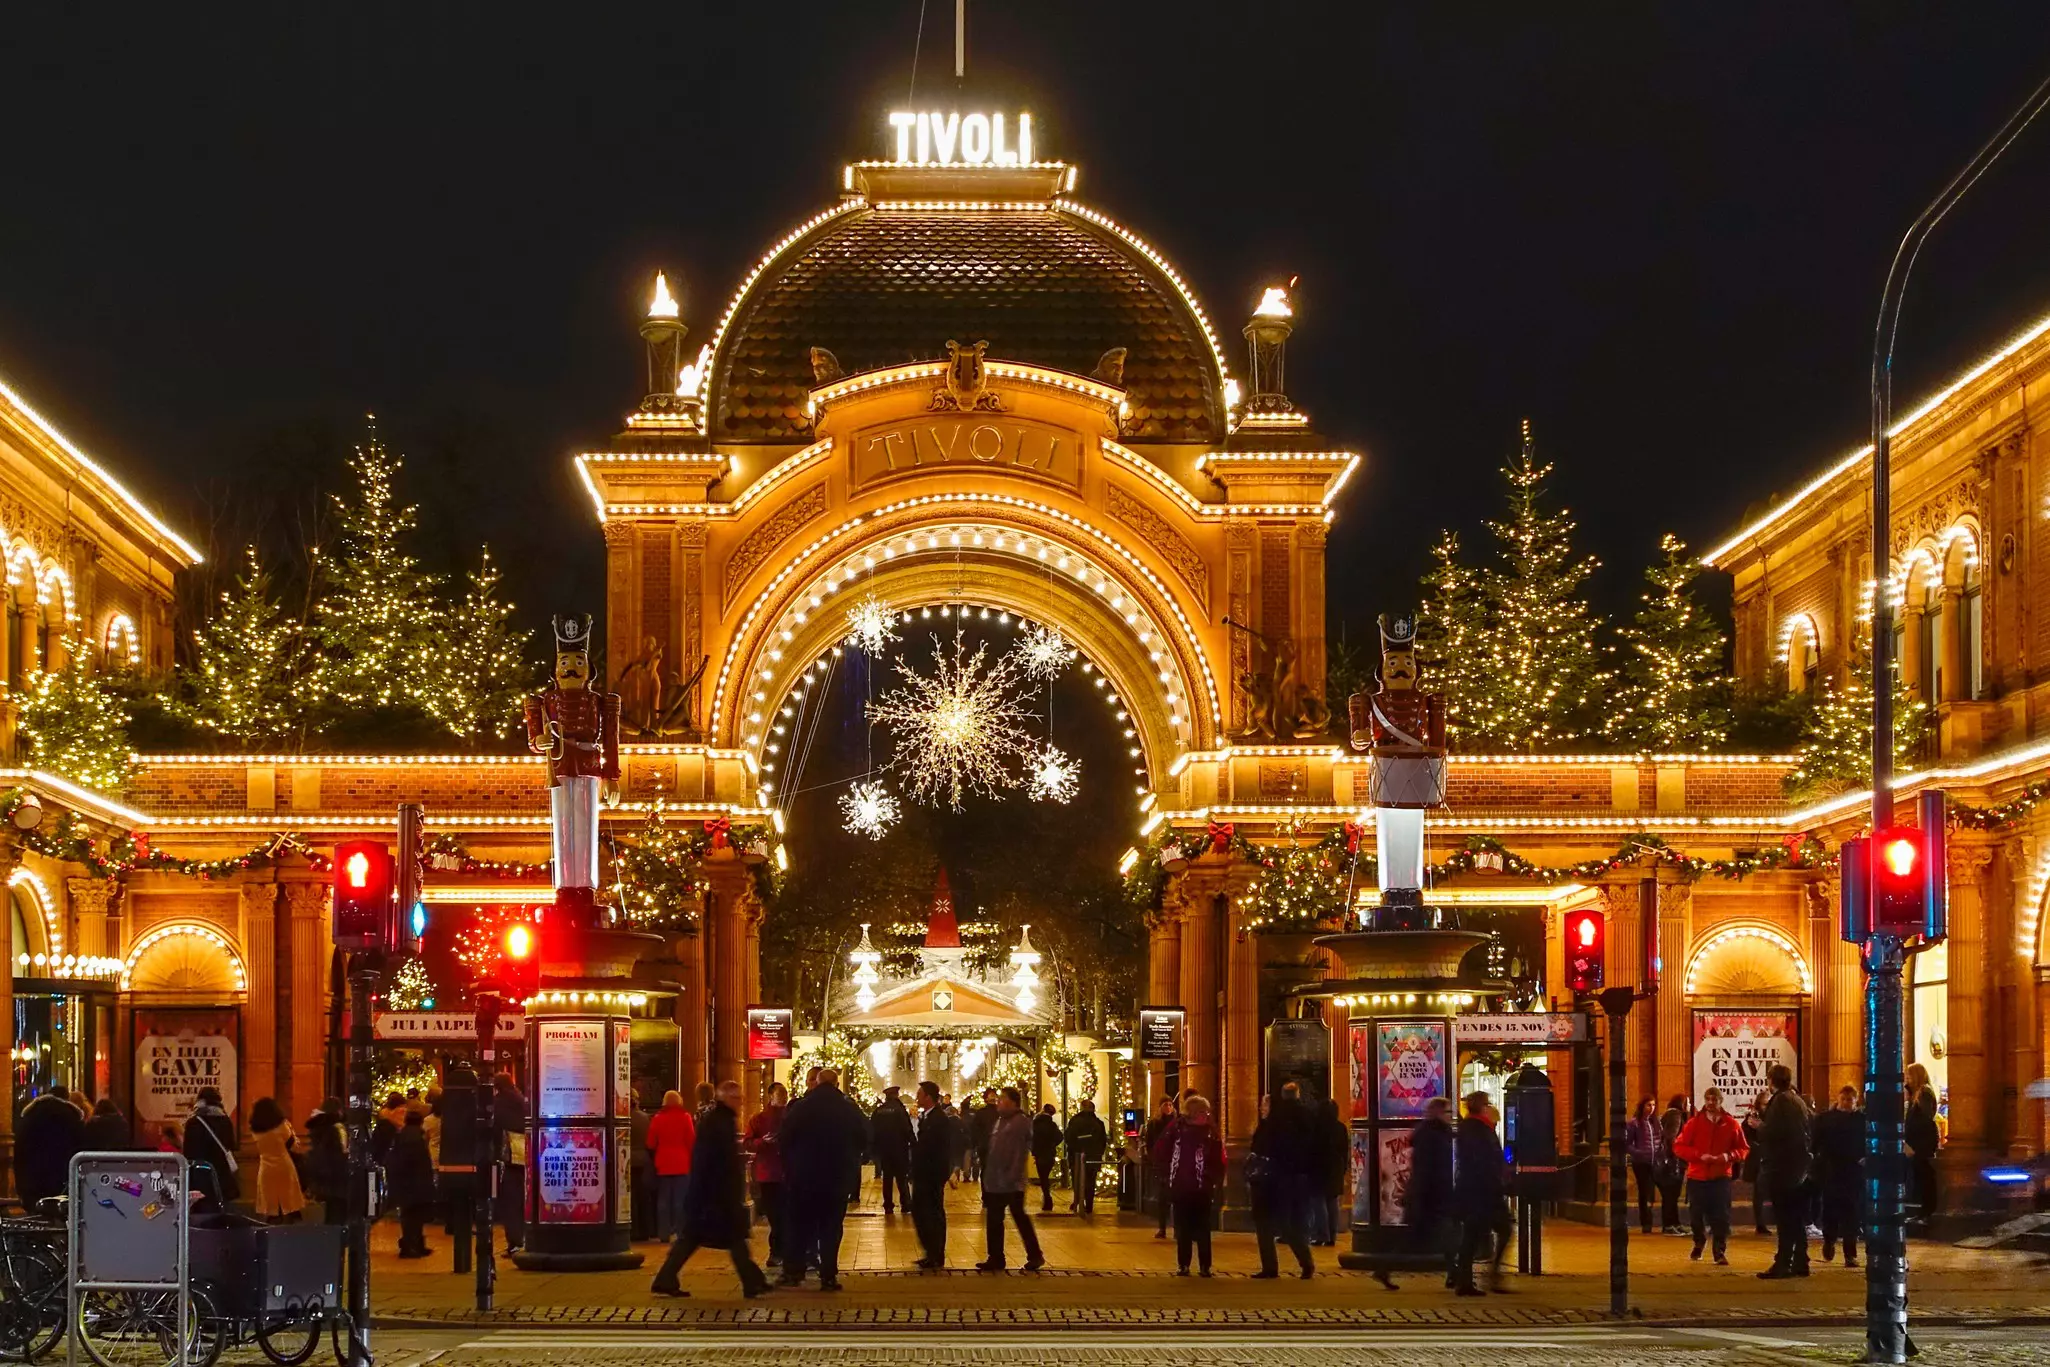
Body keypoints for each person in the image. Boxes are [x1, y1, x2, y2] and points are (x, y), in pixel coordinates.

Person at [650, 1080, 772, 1298]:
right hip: (714, 1195)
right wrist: (726, 1192)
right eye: (737, 1098)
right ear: (726, 1098)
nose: (741, 1102)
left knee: (696, 1238)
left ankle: (753, 1280)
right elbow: (716, 1161)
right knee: (724, 1239)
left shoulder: (717, 1120)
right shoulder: (720, 1122)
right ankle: (752, 1282)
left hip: (706, 1194)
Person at [777, 1066, 868, 1290]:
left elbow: (784, 1138)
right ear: (837, 1084)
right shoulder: (849, 1108)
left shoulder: (802, 1107)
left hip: (804, 1177)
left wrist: (791, 1166)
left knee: (799, 1225)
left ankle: (793, 1272)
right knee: (831, 1227)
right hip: (836, 1179)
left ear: (816, 1082)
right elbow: (866, 1137)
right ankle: (828, 1275)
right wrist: (852, 1161)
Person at [1375, 1095, 1454, 1290]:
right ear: (1437, 1113)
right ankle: (1384, 1268)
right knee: (1439, 1236)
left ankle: (1455, 1274)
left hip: (1427, 1194)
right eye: (1448, 1111)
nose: (1451, 1116)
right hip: (1429, 1195)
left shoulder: (1436, 1133)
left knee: (1433, 1237)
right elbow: (1429, 1168)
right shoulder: (1433, 1135)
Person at [1674, 1085, 1747, 1266]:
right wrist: (1699, 1156)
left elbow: (1743, 1148)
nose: (1710, 1103)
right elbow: (1679, 1146)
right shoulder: (1694, 1124)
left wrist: (1727, 1156)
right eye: (1708, 1099)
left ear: (1720, 1101)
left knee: (1721, 1216)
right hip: (1697, 1176)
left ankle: (1719, 1251)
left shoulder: (1731, 1124)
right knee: (1696, 1215)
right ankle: (1699, 1241)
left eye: (1714, 1100)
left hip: (1720, 1176)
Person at [976, 1086, 1045, 1271]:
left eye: (1003, 1098)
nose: (999, 1101)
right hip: (995, 1179)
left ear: (1013, 1102)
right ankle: (996, 1257)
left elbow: (1019, 1152)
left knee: (1018, 1217)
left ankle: (1034, 1255)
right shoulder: (1000, 1120)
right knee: (995, 1219)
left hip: (1011, 1181)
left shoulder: (1020, 1121)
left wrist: (1013, 1174)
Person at [1249, 1086, 1315, 1279]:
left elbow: (1260, 1149)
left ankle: (1270, 1267)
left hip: (1269, 1180)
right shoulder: (1302, 1118)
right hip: (1290, 1179)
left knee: (1266, 1224)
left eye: (1264, 1105)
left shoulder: (1271, 1125)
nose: (1261, 1108)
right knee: (1287, 1224)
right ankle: (1306, 1262)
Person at [1157, 1093, 1224, 1276]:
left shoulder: (1211, 1132)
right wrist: (1167, 1174)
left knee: (1203, 1228)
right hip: (1181, 1186)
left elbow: (1219, 1159)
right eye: (1202, 1112)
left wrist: (1213, 1179)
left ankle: (1205, 1266)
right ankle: (1184, 1264)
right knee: (1183, 1228)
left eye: (1207, 1112)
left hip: (1202, 1187)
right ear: (1192, 1113)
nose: (1206, 1115)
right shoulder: (1176, 1129)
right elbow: (1161, 1150)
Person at [1756, 1063, 1813, 1279]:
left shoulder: (1780, 1101)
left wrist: (1758, 1126)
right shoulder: (1796, 1099)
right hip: (1798, 1168)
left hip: (1783, 1168)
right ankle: (1801, 1261)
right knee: (1796, 1218)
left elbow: (1774, 1132)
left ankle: (1783, 1263)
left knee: (1785, 1219)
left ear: (1772, 1080)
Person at [1450, 1092, 1509, 1296]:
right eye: (1487, 1103)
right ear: (1482, 1106)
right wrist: (1497, 1184)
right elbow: (1485, 1161)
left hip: (1477, 1190)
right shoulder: (1478, 1129)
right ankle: (1475, 1279)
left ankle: (1468, 1279)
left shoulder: (1473, 1127)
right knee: (1476, 1236)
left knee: (1474, 1236)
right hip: (1482, 1192)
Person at [1814, 1083, 1863, 1268]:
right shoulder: (1826, 1119)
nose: (1846, 1103)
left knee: (1852, 1214)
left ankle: (1850, 1254)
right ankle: (1829, 1240)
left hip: (1852, 1172)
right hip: (1831, 1171)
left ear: (1855, 1101)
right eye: (1843, 1099)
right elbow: (1816, 1142)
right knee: (1830, 1211)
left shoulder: (1861, 1120)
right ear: (1838, 1099)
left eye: (1850, 1100)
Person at [910, 1080, 955, 1269]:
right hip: (923, 1174)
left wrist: (941, 1175)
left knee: (932, 1214)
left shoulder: (938, 1119)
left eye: (919, 1095)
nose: (917, 1098)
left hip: (931, 1175)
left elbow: (938, 1149)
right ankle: (931, 1252)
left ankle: (936, 1253)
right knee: (921, 1212)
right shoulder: (928, 1117)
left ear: (928, 1097)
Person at [14, 1089, 86, 1206]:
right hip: (62, 1180)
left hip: (31, 1180)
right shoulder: (71, 1117)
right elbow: (79, 1148)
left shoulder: (29, 1116)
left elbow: (20, 1151)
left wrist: (21, 1184)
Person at [744, 1083, 788, 1268]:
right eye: (780, 1094)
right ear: (771, 1096)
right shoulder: (759, 1119)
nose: (784, 1098)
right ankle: (777, 1251)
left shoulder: (791, 1117)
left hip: (786, 1172)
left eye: (785, 1094)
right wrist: (763, 1141)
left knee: (784, 1215)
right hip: (768, 1173)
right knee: (775, 1216)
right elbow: (748, 1142)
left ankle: (781, 1252)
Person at [648, 1089, 697, 1243]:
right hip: (682, 1163)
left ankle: (663, 1234)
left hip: (663, 1163)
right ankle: (680, 1232)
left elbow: (650, 1142)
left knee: (663, 1201)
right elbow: (691, 1141)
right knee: (680, 1201)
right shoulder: (685, 1117)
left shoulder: (657, 1118)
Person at [249, 1096, 307, 1222]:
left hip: (266, 1170)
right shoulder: (281, 1126)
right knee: (288, 1205)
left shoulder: (255, 1130)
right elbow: (294, 1147)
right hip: (284, 1168)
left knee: (271, 1209)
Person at [388, 1109, 436, 1258]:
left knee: (409, 1215)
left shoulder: (402, 1136)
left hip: (405, 1182)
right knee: (415, 1216)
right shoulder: (417, 1138)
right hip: (416, 1182)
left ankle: (412, 1244)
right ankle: (412, 1246)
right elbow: (421, 1163)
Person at [184, 1085, 241, 1204]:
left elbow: (188, 1151)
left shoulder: (193, 1122)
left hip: (200, 1173)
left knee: (201, 1207)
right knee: (221, 1206)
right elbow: (231, 1144)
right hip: (222, 1174)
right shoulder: (225, 1121)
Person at [492, 1073, 527, 1255]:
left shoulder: (501, 1102)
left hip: (512, 1156)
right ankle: (523, 1239)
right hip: (526, 1155)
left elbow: (497, 1125)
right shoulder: (520, 1098)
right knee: (523, 1199)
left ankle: (515, 1241)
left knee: (511, 1200)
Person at [1905, 1062, 1941, 1226]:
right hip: (1917, 1140)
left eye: (1909, 1075)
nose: (1907, 1078)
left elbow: (1925, 1119)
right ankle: (1922, 1211)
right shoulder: (1916, 1093)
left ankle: (1927, 1211)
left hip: (1923, 1141)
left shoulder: (1924, 1093)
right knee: (1920, 1176)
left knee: (1925, 1176)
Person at [870, 1085, 915, 1215]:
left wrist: (874, 1149)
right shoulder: (900, 1110)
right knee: (902, 1177)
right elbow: (907, 1129)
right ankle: (905, 1203)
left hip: (884, 1150)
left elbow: (873, 1130)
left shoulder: (879, 1111)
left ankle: (888, 1205)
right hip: (899, 1149)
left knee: (887, 1178)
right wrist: (913, 1143)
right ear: (896, 1095)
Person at [1062, 1099, 1109, 1214]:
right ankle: (1089, 1204)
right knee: (1090, 1181)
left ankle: (1078, 1201)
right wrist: (1099, 1153)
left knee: (1077, 1179)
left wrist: (1075, 1150)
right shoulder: (1099, 1123)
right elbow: (1103, 1141)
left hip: (1077, 1156)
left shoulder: (1075, 1121)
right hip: (1093, 1157)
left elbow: (1069, 1138)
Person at [303, 1106, 349, 1224]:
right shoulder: (334, 1130)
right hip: (335, 1182)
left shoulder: (317, 1130)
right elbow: (337, 1155)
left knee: (327, 1217)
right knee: (336, 1216)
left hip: (321, 1182)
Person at [1314, 1094, 1349, 1246]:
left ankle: (1322, 1234)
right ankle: (1332, 1236)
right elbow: (1344, 1149)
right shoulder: (1340, 1127)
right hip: (1336, 1167)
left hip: (1319, 1166)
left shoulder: (1316, 1127)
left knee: (1319, 1201)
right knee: (1332, 1201)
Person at [1143, 1097, 1178, 1238]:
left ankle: (1176, 1228)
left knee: (1175, 1197)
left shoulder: (1176, 1123)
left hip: (1173, 1163)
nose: (1168, 1107)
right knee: (1162, 1197)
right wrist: (1153, 1158)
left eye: (1170, 1105)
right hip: (1161, 1164)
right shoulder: (1155, 1124)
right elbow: (1150, 1142)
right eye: (1165, 1105)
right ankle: (1162, 1227)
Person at [1625, 1097, 1661, 1233]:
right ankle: (1646, 1222)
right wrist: (1638, 1153)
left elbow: (1660, 1139)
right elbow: (1627, 1144)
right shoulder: (1634, 1123)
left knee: (1653, 1191)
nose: (1651, 1108)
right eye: (1648, 1105)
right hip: (1641, 1162)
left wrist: (1660, 1152)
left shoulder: (1655, 1122)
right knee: (1644, 1191)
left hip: (1655, 1161)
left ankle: (1652, 1217)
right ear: (1642, 1106)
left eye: (1653, 1105)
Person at [1657, 1095, 1690, 1236]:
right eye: (1688, 1102)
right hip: (1674, 1162)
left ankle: (1674, 1223)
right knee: (1671, 1195)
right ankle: (1669, 1225)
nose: (1689, 1105)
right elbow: (1671, 1138)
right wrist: (1676, 1157)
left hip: (1671, 1161)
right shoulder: (1675, 1115)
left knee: (1671, 1195)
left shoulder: (1669, 1114)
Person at [1741, 1093, 1769, 1235]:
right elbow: (1746, 1137)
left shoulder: (1774, 1116)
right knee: (1759, 1193)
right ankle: (1760, 1223)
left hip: (1771, 1158)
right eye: (1764, 1104)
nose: (1766, 1107)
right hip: (1759, 1159)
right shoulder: (1752, 1117)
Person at [1029, 1104, 1062, 1213]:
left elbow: (1030, 1137)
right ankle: (1047, 1198)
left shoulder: (1036, 1123)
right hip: (1050, 1153)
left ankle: (1047, 1199)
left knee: (1043, 1177)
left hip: (1040, 1153)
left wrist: (1033, 1148)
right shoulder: (1052, 1125)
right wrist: (1052, 1144)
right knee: (1045, 1176)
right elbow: (1059, 1137)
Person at [970, 1086, 1000, 1184]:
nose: (992, 1096)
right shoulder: (981, 1113)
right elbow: (975, 1130)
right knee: (987, 1170)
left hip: (996, 1146)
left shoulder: (1001, 1112)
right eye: (990, 1095)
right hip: (985, 1147)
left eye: (993, 1094)